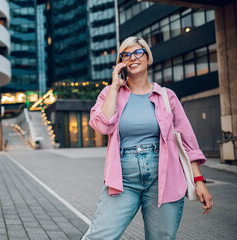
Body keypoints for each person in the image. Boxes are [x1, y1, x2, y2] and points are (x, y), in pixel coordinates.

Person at [84, 36, 213, 240]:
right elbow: (102, 125)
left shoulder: (166, 96)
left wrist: (199, 180)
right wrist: (115, 86)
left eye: (138, 52)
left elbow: (187, 141)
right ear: (121, 62)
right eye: (126, 54)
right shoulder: (110, 93)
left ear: (147, 57)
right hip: (123, 178)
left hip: (164, 175)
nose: (132, 58)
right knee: (99, 236)